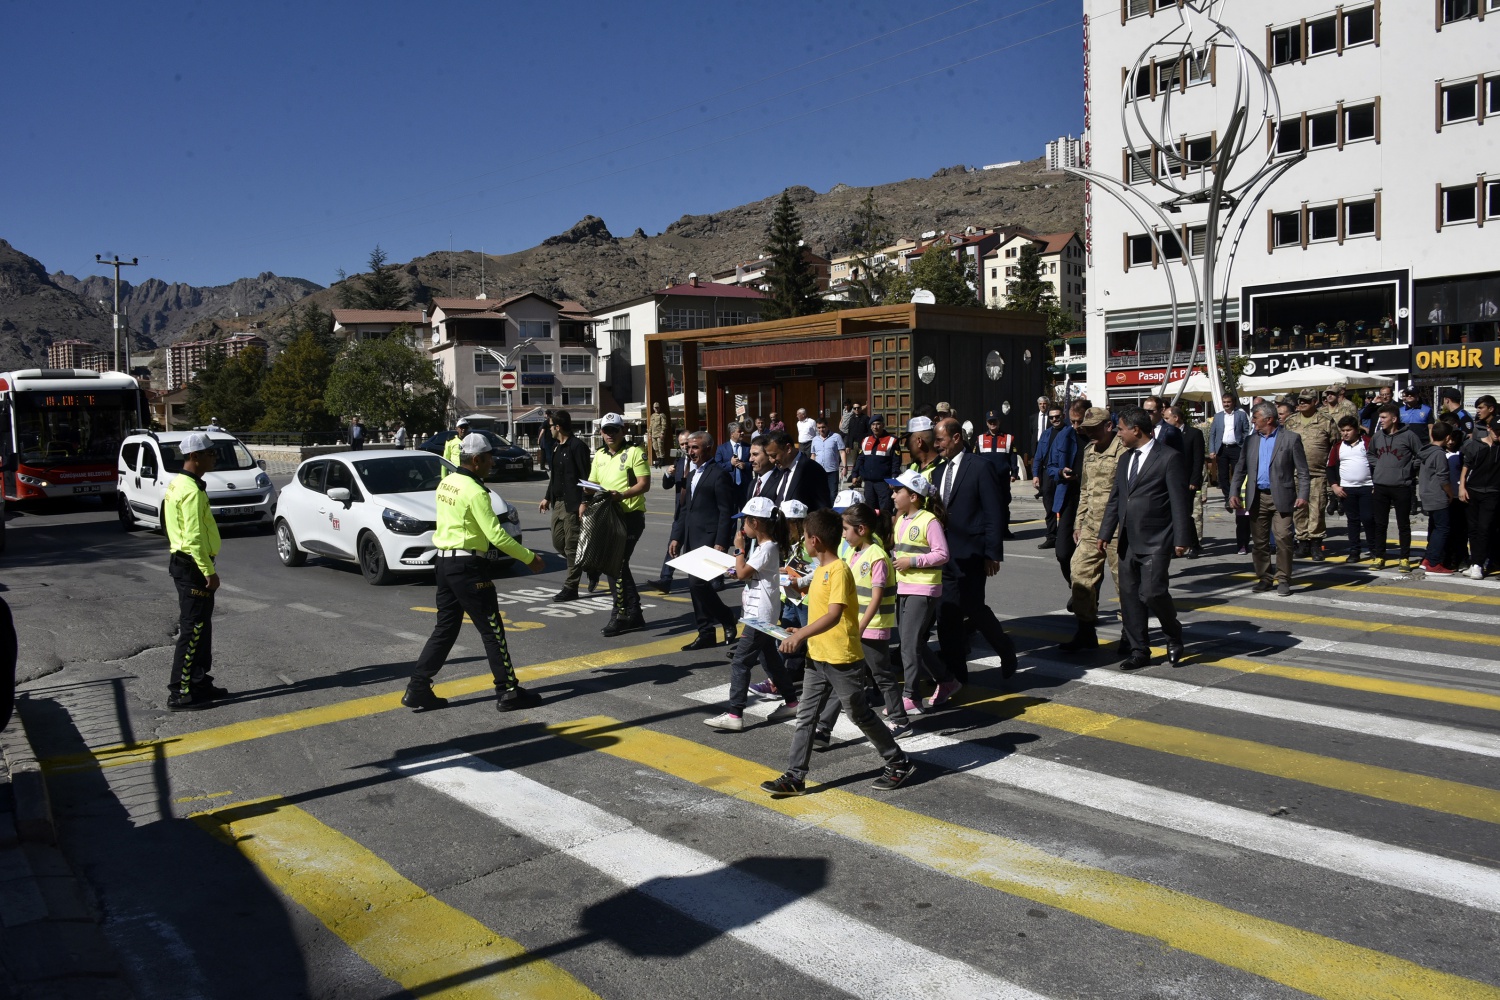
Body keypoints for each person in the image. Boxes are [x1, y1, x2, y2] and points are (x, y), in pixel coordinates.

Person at [760, 509, 916, 797]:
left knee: (860, 714)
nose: (804, 542)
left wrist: (803, 634)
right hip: (817, 656)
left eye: (806, 537)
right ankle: (795, 776)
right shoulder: (820, 571)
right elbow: (819, 613)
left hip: (842, 658)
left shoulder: (839, 571)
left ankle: (898, 761)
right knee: (806, 717)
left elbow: (834, 615)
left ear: (815, 541)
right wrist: (800, 632)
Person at [404, 432, 546, 712]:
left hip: (444, 564)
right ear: (477, 459)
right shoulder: (476, 491)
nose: (493, 462)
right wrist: (530, 558)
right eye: (490, 457)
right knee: (492, 630)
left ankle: (417, 687)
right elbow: (497, 536)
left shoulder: (447, 482)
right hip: (468, 567)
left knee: (444, 629)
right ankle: (508, 691)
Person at [1097, 407, 1193, 670]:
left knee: (1152, 593)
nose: (1118, 435)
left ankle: (1173, 633)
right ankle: (1140, 650)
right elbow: (1116, 499)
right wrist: (1105, 532)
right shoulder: (1125, 460)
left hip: (1157, 538)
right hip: (1127, 539)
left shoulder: (1168, 457)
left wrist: (1182, 538)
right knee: (1129, 597)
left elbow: (1179, 501)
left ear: (1136, 430)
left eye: (1120, 429)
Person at [932, 418, 1018, 682]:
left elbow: (993, 512)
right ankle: (957, 675)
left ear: (956, 438)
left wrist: (992, 553)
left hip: (972, 552)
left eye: (941, 440)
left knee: (974, 608)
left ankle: (1005, 649)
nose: (937, 446)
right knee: (946, 614)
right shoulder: (938, 471)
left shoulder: (981, 467)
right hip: (944, 554)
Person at [703, 496, 799, 731]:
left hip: (759, 616)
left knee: (740, 662)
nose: (742, 527)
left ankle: (735, 714)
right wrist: (738, 569)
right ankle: (792, 701)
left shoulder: (766, 548)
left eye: (744, 522)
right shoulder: (767, 547)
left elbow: (745, 572)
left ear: (755, 523)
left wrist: (739, 549)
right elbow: (749, 572)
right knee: (771, 660)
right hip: (759, 614)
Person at [162, 432, 229, 711]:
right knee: (193, 628)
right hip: (193, 565)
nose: (214, 457)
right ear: (194, 457)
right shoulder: (189, 490)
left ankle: (199, 682)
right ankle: (180, 691)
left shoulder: (181, 483)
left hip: (187, 563)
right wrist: (208, 571)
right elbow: (193, 538)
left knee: (203, 628)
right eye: (210, 453)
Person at [887, 469, 957, 716]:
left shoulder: (929, 520)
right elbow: (899, 551)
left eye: (898, 491)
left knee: (908, 644)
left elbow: (942, 554)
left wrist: (912, 562)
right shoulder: (902, 520)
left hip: (923, 588)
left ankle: (911, 696)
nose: (893, 495)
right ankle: (946, 680)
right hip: (904, 587)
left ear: (914, 496)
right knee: (912, 642)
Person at [839, 502, 906, 738]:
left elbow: (876, 597)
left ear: (861, 529)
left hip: (872, 626)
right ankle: (831, 721)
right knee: (849, 673)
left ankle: (900, 720)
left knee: (882, 675)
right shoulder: (854, 552)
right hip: (857, 625)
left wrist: (861, 625)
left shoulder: (876, 556)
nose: (843, 534)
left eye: (846, 529)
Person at [1060, 407, 1124, 651]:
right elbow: (1084, 491)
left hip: (1118, 528)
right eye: (1086, 430)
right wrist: (1079, 522)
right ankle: (1086, 630)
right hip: (1091, 527)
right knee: (1080, 574)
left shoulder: (1124, 450)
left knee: (1124, 583)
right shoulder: (1089, 451)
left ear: (1109, 426)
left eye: (1094, 429)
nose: (1089, 434)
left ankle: (1131, 635)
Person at [1231, 401, 1310, 596]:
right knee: (1259, 542)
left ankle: (1283, 579)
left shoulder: (1291, 439)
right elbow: (1240, 469)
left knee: (1283, 538)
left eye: (1256, 418)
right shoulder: (1251, 440)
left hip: (1282, 496)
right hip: (1257, 497)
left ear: (1269, 419)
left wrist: (1303, 495)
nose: (1253, 421)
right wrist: (1233, 492)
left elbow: (1303, 471)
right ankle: (1265, 577)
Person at [671, 431, 740, 650]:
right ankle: (706, 632)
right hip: (692, 537)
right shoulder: (691, 475)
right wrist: (676, 537)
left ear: (707, 449)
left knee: (697, 584)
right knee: (695, 588)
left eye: (695, 448)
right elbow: (685, 510)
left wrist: (721, 542)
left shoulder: (719, 475)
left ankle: (727, 617)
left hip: (710, 538)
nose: (690, 452)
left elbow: (726, 511)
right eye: (689, 448)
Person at [583, 412, 651, 636]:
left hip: (629, 515)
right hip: (606, 515)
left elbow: (644, 484)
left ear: (623, 430)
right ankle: (633, 612)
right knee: (616, 565)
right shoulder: (600, 454)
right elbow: (592, 483)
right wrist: (586, 495)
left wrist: (621, 495)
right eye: (605, 430)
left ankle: (621, 614)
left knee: (616, 564)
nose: (609, 434)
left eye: (614, 430)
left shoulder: (634, 452)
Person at [540, 411, 592, 602]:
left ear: (558, 427)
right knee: (558, 542)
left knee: (571, 547)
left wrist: (584, 502)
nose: (549, 428)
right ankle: (587, 564)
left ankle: (571, 587)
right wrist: (547, 497)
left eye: (550, 425)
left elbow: (586, 477)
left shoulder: (577, 447)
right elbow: (554, 476)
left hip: (574, 503)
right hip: (558, 502)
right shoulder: (555, 447)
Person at [1368, 402, 1424, 572]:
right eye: (1380, 417)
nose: (1381, 420)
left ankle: (1404, 558)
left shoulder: (1409, 436)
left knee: (1403, 524)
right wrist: (1380, 466)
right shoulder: (1377, 436)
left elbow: (1420, 455)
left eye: (1384, 417)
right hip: (1381, 485)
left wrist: (1408, 469)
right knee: (1380, 523)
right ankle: (1379, 556)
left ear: (1394, 418)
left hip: (1402, 486)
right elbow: (1370, 454)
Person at [1283, 390, 1339, 561]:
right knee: (1298, 510)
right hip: (1295, 474)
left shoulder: (1326, 421)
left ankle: (1316, 543)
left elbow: (1335, 446)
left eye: (1306, 401)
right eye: (1300, 401)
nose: (1302, 403)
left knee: (1316, 510)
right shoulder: (1291, 422)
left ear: (1315, 401)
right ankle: (1302, 543)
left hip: (1317, 473)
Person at [645, 430, 693, 594]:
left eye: (687, 443)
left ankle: (715, 579)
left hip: (698, 511)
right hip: (681, 510)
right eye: (682, 444)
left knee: (697, 547)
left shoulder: (701, 461)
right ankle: (665, 579)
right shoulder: (679, 461)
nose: (685, 447)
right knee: (673, 544)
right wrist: (667, 473)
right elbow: (667, 485)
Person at [1327, 417, 1374, 563]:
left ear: (1356, 429)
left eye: (1348, 430)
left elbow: (1377, 464)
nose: (1345, 434)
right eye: (1342, 431)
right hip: (1347, 489)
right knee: (1352, 521)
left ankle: (1374, 549)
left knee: (1368, 518)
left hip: (1367, 487)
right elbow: (1330, 467)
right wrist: (1334, 486)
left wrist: (1376, 484)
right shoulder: (1338, 446)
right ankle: (1355, 550)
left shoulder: (1367, 442)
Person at [1459, 413, 1500, 579]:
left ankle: (1478, 564)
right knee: (1473, 529)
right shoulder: (1476, 446)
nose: (1498, 434)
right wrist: (1462, 487)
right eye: (1496, 430)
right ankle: (1475, 561)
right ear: (1489, 428)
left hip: (1492, 492)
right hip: (1473, 491)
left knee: (1485, 528)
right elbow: (1466, 467)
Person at [1164, 404, 1206, 557]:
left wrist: (1194, 480)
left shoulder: (1194, 434)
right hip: (1171, 480)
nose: (1165, 421)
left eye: (1167, 418)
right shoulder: (1166, 434)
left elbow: (1198, 459)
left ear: (1176, 418)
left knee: (1185, 514)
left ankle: (1194, 545)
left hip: (1188, 481)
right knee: (1173, 514)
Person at [1032, 406, 1074, 550]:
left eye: (1057, 416)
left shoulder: (1070, 432)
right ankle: (1051, 537)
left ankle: (1063, 537)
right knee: (1049, 508)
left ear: (1063, 416)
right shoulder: (1046, 434)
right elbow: (1038, 456)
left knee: (1063, 507)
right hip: (1047, 475)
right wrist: (1036, 475)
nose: (1054, 419)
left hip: (1063, 474)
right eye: (1051, 417)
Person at [1418, 422, 1456, 574]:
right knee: (1443, 529)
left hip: (1426, 493)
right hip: (1437, 495)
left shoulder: (1425, 450)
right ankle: (1433, 562)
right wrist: (1450, 493)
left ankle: (1428, 558)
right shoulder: (1439, 453)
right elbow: (1443, 477)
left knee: (1435, 528)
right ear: (1447, 438)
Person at [974, 410, 1018, 539]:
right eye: (990, 422)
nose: (993, 424)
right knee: (985, 504)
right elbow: (976, 458)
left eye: (995, 421)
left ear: (999, 422)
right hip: (986, 479)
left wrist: (1014, 472)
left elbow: (1013, 457)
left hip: (1002, 477)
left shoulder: (1008, 438)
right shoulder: (980, 439)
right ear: (987, 423)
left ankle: (1004, 530)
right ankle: (986, 531)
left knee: (1004, 504)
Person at [766, 430, 831, 512]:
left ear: (788, 448)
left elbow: (822, 510)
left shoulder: (812, 470)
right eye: (769, 456)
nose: (771, 461)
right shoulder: (778, 470)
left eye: (774, 455)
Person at [1208, 393, 1250, 514]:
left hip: (1236, 447)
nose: (1226, 404)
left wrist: (1244, 446)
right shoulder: (1218, 416)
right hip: (1222, 448)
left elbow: (1246, 431)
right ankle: (1227, 498)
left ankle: (1235, 495)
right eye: (1224, 402)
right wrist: (1212, 449)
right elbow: (1212, 434)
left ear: (1233, 402)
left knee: (1237, 473)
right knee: (1223, 476)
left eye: (1228, 402)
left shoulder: (1241, 415)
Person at [853, 415, 901, 514]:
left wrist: (893, 478)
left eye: (878, 424)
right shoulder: (865, 440)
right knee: (870, 511)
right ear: (870, 427)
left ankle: (885, 529)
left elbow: (895, 462)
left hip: (884, 483)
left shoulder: (892, 440)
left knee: (885, 510)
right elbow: (860, 459)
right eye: (873, 424)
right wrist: (855, 474)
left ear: (883, 425)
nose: (875, 427)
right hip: (869, 482)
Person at [808, 417, 846, 501]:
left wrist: (844, 467)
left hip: (832, 471)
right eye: (819, 428)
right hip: (819, 471)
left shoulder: (836, 437)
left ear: (827, 426)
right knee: (821, 494)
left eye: (823, 427)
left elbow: (842, 452)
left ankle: (832, 512)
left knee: (832, 494)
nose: (821, 429)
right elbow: (813, 455)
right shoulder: (814, 439)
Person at [714, 421, 752, 501]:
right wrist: (730, 464)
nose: (742, 433)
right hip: (729, 486)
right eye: (739, 431)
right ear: (732, 434)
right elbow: (717, 466)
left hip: (745, 486)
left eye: (742, 431)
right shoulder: (722, 448)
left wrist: (745, 465)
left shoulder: (748, 447)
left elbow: (754, 463)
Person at [649, 401, 670, 467]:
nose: (656, 409)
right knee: (655, 448)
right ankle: (659, 459)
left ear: (659, 408)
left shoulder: (662, 415)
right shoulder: (652, 416)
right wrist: (649, 433)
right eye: (655, 408)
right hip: (653, 434)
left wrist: (662, 433)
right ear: (653, 408)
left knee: (660, 447)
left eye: (657, 408)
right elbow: (651, 425)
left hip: (659, 434)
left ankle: (662, 460)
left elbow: (664, 424)